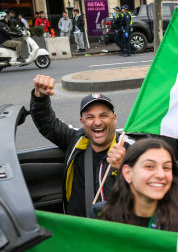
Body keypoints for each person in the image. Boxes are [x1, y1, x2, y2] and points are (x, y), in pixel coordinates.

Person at [31, 75, 128, 217]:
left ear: (114, 119)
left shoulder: (129, 150)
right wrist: (40, 97)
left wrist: (126, 167)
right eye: (90, 117)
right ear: (82, 122)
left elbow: (148, 193)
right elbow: (47, 124)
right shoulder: (76, 139)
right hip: (77, 230)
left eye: (103, 115)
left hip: (114, 233)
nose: (97, 122)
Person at [90, 138, 178, 238]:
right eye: (149, 166)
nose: (160, 175)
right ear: (127, 173)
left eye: (166, 167)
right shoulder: (101, 215)